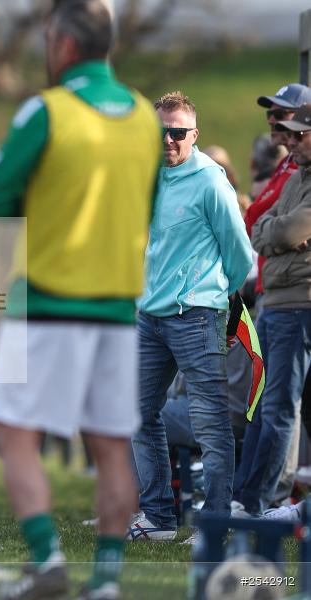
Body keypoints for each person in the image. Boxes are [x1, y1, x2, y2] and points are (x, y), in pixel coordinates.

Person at [0, 1, 160, 598]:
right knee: (111, 446)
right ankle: (106, 580)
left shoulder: (47, 109)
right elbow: (149, 204)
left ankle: (47, 559)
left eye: (49, 39)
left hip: (46, 302)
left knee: (16, 432)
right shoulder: (145, 118)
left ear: (65, 44)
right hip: (119, 308)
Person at [131, 91, 252, 543]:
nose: (168, 140)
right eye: (160, 132)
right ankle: (159, 518)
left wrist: (219, 298)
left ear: (194, 134)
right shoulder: (148, 177)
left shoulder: (211, 182)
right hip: (150, 316)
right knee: (137, 413)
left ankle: (216, 523)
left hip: (197, 316)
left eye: (178, 132)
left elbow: (240, 253)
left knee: (211, 425)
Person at [231, 84, 311, 518]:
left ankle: (260, 502)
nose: (283, 133)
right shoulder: (295, 175)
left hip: (296, 305)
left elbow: (285, 230)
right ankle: (248, 499)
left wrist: (276, 232)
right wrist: (276, 234)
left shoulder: (296, 173)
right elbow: (261, 225)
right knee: (263, 408)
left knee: (279, 409)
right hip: (276, 301)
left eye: (296, 130)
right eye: (281, 124)